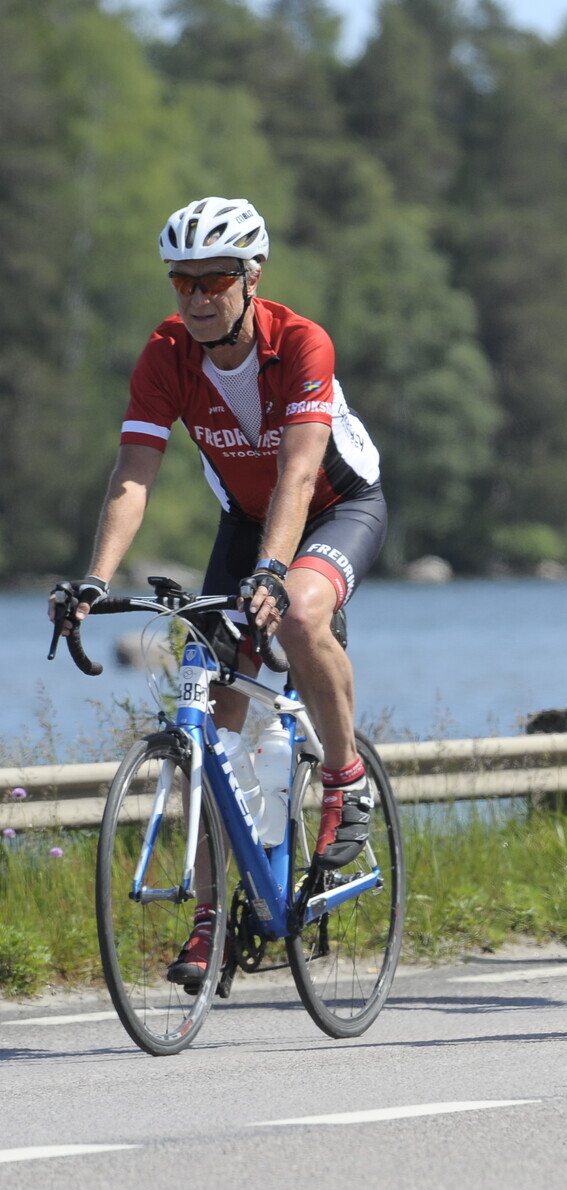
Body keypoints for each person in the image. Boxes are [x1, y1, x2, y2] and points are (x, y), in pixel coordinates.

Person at [47, 196, 385, 985]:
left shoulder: (300, 342)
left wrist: (273, 572)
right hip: (246, 520)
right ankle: (211, 920)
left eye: (215, 281)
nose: (197, 298)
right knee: (209, 723)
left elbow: (298, 474)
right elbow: (134, 475)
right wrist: (96, 578)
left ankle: (346, 781)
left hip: (337, 505)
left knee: (298, 613)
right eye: (183, 282)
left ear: (251, 278)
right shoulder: (165, 354)